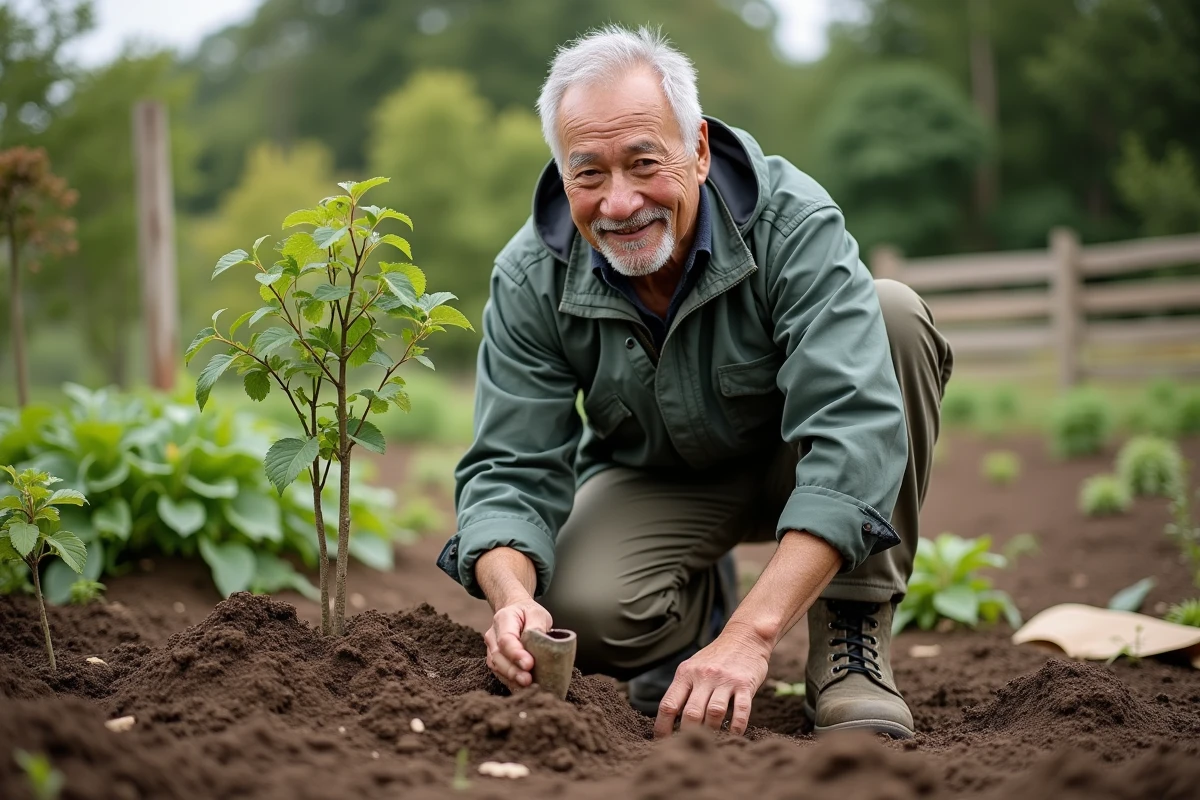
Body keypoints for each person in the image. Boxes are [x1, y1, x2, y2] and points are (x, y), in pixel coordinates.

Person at [436, 24, 953, 740]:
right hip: (663, 478)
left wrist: (754, 636)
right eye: (588, 174)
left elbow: (851, 431)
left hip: (798, 459)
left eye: (644, 163)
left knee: (891, 312)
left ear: (700, 151)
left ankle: (851, 641)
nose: (618, 203)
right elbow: (509, 466)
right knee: (586, 612)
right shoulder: (531, 274)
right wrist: (512, 599)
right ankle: (695, 615)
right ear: (562, 177)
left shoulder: (792, 223)